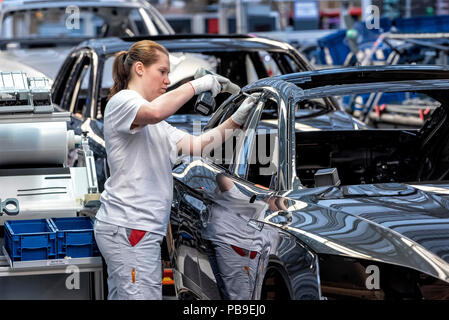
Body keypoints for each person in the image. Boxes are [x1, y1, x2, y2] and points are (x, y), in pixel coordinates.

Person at [93, 39, 257, 300]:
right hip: (130, 228)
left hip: (135, 228)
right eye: (162, 72)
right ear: (139, 69)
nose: (167, 80)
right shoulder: (124, 102)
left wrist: (238, 118)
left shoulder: (155, 124)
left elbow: (199, 145)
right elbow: (156, 111)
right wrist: (198, 85)